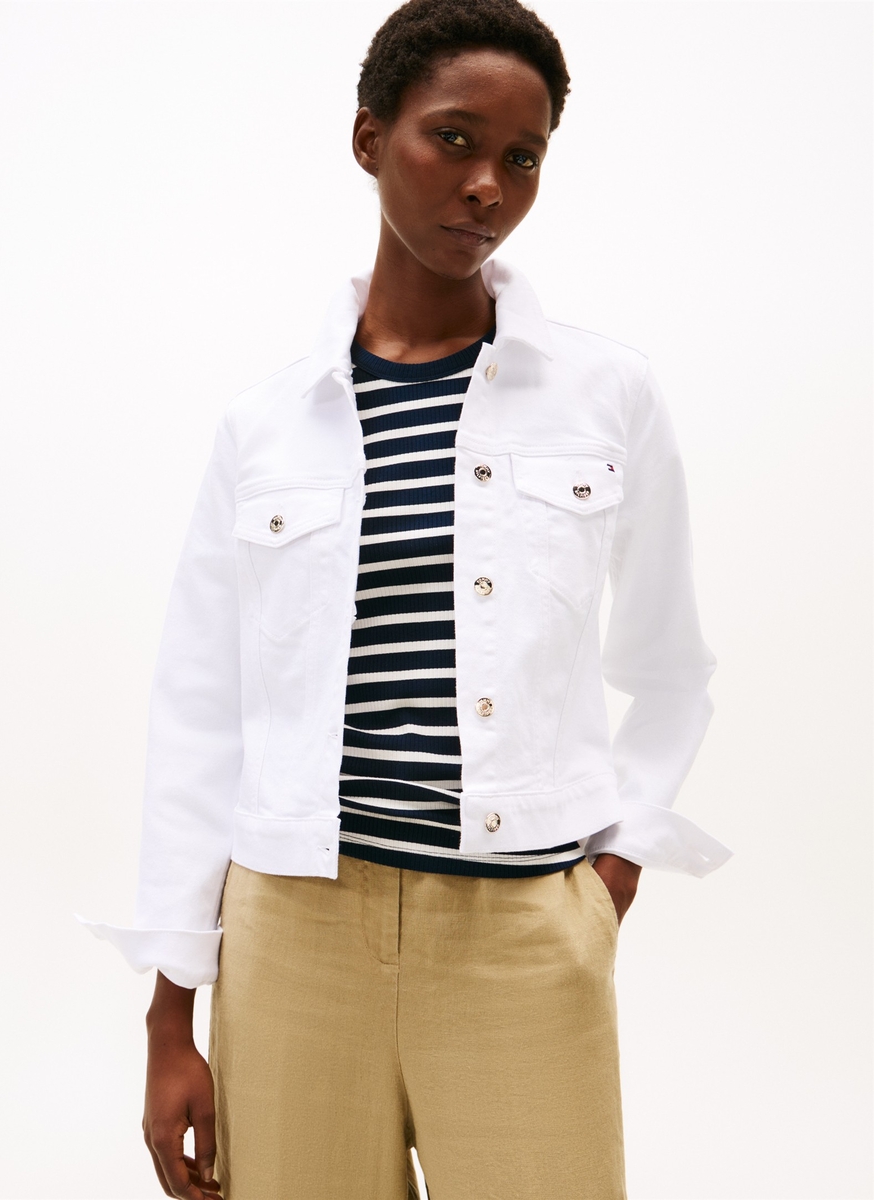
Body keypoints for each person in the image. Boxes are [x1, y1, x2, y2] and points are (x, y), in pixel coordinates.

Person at [80, 1, 732, 1196]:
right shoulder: (267, 425)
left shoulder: (608, 397)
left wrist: (613, 872)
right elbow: (200, 715)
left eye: (523, 157)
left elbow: (671, 666)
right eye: (454, 139)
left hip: (522, 936)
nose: (487, 185)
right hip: (293, 938)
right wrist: (171, 1015)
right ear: (370, 137)